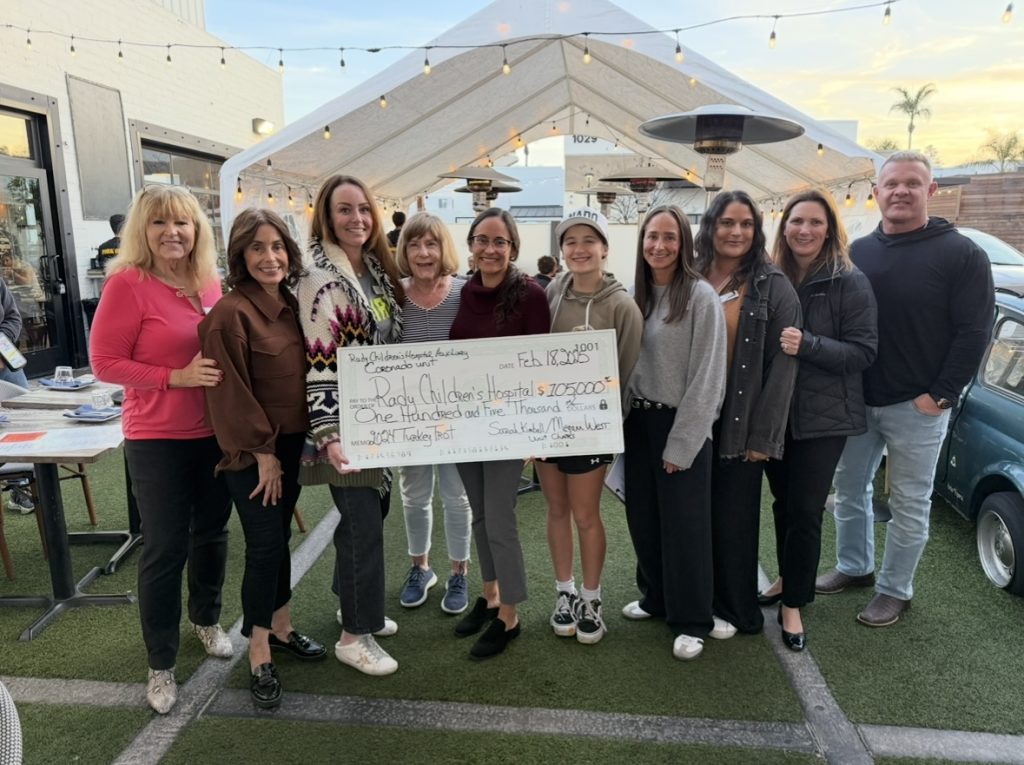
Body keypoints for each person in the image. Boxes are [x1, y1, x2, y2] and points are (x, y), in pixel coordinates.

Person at [816, 151, 994, 627]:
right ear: (876, 192)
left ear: (931, 190)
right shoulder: (859, 251)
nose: (900, 191)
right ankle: (855, 567)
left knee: (909, 504)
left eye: (912, 183)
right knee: (849, 488)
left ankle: (895, 590)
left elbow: (975, 332)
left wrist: (940, 396)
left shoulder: (961, 254)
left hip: (918, 406)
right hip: (858, 399)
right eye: (891, 183)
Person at [90, 185, 233, 715]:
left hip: (215, 435)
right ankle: (161, 662)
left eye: (182, 222)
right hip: (157, 439)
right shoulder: (128, 284)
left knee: (212, 535)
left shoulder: (208, 280)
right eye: (159, 223)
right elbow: (104, 364)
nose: (172, 232)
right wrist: (175, 377)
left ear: (197, 230)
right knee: (166, 547)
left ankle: (206, 619)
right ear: (142, 231)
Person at [199, 208, 326, 709]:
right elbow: (227, 393)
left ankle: (281, 626)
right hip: (254, 451)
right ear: (240, 255)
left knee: (278, 542)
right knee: (265, 545)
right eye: (257, 248)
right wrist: (262, 453)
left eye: (276, 246)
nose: (269, 257)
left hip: (293, 445)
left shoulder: (293, 303)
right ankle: (257, 651)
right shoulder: (229, 314)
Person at [757, 190, 878, 651]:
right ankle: (788, 578)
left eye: (814, 222)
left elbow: (864, 352)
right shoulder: (770, 276)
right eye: (796, 221)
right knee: (782, 504)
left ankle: (794, 604)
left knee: (806, 511)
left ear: (829, 230)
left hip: (824, 419)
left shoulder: (849, 280)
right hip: (776, 412)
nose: (804, 230)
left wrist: (808, 344)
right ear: (784, 226)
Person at [294, 175, 405, 675]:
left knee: (372, 513)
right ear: (326, 216)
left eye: (363, 209)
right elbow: (318, 360)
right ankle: (353, 637)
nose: (356, 218)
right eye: (344, 209)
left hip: (382, 420)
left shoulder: (377, 270)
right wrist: (329, 434)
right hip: (346, 423)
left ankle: (352, 605)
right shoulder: (317, 277)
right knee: (363, 529)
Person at [620, 205, 727, 661]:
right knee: (643, 518)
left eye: (669, 237)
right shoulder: (634, 295)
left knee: (685, 526)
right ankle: (656, 597)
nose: (658, 245)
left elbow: (709, 377)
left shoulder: (700, 296)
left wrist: (683, 443)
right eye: (651, 236)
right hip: (637, 422)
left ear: (683, 242)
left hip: (680, 423)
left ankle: (691, 619)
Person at [695, 190, 800, 639]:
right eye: (727, 222)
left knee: (733, 520)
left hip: (740, 422)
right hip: (691, 418)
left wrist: (764, 437)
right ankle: (693, 599)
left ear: (757, 231)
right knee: (692, 515)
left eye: (746, 224)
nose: (736, 232)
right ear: (711, 226)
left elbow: (783, 368)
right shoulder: (690, 272)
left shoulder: (772, 284)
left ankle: (736, 608)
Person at [538, 207, 642, 645]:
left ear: (604, 248)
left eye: (588, 241)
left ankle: (591, 598)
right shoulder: (550, 294)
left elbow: (627, 370)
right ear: (561, 250)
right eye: (570, 242)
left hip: (591, 430)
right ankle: (564, 592)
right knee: (556, 509)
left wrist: (604, 425)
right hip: (547, 424)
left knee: (585, 514)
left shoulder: (621, 305)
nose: (579, 249)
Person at [449, 208, 550, 659]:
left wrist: (532, 430)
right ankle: (489, 596)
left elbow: (541, 363)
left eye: (500, 242)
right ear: (471, 244)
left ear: (513, 248)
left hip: (508, 426)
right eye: (482, 240)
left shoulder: (530, 295)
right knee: (480, 514)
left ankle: (510, 614)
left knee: (500, 517)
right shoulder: (461, 292)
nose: (490, 249)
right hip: (464, 424)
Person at [393, 213, 473, 615]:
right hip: (410, 418)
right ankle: (420, 568)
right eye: (414, 245)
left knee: (456, 497)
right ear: (404, 251)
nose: (423, 253)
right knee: (414, 496)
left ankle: (460, 571)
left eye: (431, 244)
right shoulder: (393, 294)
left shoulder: (465, 291)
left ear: (444, 249)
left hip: (459, 418)